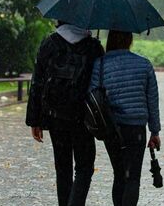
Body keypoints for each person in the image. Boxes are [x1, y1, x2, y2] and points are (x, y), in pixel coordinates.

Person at [26, 22, 105, 206]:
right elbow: (101, 82)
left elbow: (37, 82)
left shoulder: (50, 43)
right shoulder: (93, 47)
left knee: (62, 168)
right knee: (85, 167)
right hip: (83, 117)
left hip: (56, 116)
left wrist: (34, 120)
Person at [90, 30, 161, 206]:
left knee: (119, 174)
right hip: (136, 128)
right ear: (129, 39)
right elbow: (152, 100)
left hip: (112, 128)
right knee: (133, 177)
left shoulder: (100, 64)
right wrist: (154, 131)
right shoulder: (144, 64)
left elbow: (92, 96)